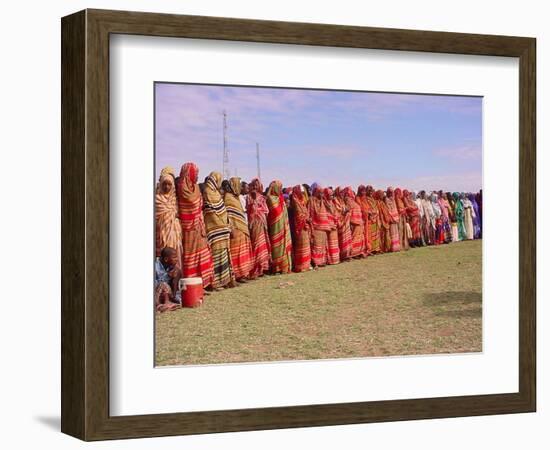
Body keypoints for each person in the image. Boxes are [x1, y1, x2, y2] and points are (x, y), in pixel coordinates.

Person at [176, 163, 214, 289]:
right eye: (195, 173)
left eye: (197, 174)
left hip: (199, 227)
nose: (197, 176)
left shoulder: (196, 187)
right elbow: (190, 204)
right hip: (188, 229)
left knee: (203, 255)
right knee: (190, 257)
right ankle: (192, 285)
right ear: (189, 173)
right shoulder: (181, 188)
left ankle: (203, 283)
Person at [203, 171, 235, 289]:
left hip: (223, 229)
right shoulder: (207, 192)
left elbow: (223, 210)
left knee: (224, 254)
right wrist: (221, 224)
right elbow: (210, 210)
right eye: (219, 179)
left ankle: (225, 280)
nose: (219, 182)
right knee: (216, 254)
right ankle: (216, 281)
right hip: (214, 229)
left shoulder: (217, 193)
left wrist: (227, 225)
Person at [224, 177, 254, 281]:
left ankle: (244, 273)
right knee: (237, 252)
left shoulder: (235, 197)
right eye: (239, 185)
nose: (240, 187)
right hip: (235, 229)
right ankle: (238, 274)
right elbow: (228, 215)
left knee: (243, 251)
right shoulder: (228, 198)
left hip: (242, 227)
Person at [155, 167, 183, 271]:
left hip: (175, 233)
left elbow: (179, 213)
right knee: (165, 255)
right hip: (162, 233)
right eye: (164, 184)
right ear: (161, 184)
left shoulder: (175, 199)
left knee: (176, 254)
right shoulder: (157, 199)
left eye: (169, 184)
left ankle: (177, 277)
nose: (167, 187)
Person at [266, 180, 293, 274]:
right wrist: (271, 186)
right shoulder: (270, 198)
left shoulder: (281, 199)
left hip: (284, 227)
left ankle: (285, 268)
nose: (281, 190)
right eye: (279, 188)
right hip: (275, 227)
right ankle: (277, 268)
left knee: (285, 246)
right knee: (276, 247)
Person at [246, 178, 271, 277]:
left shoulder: (262, 198)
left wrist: (260, 212)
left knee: (263, 246)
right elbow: (249, 210)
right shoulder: (248, 197)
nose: (255, 187)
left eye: (257, 185)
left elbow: (266, 211)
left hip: (262, 224)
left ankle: (262, 268)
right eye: (254, 185)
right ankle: (255, 269)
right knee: (256, 245)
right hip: (254, 224)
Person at [290, 185, 312, 272]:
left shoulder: (302, 201)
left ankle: (306, 264)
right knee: (301, 244)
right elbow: (299, 215)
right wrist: (306, 218)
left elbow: (305, 212)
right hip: (300, 226)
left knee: (306, 244)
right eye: (301, 192)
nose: (303, 194)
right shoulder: (295, 201)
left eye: (303, 192)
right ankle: (301, 265)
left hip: (305, 225)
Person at [309, 183, 330, 267]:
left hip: (323, 227)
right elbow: (310, 212)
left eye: (322, 193)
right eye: (320, 193)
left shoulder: (322, 201)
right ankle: (315, 262)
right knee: (316, 245)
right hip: (316, 226)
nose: (321, 195)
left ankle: (322, 261)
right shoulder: (311, 200)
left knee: (322, 245)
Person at [155, 247, 181, 312]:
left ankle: (171, 299)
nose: (177, 259)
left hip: (165, 293)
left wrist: (175, 276)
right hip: (156, 293)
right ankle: (161, 304)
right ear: (166, 259)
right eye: (174, 257)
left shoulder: (171, 265)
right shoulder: (155, 266)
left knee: (178, 271)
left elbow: (174, 282)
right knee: (163, 284)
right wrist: (168, 276)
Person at [344, 187, 366, 257]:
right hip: (354, 223)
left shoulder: (353, 200)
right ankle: (353, 253)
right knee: (354, 238)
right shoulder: (347, 200)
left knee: (359, 238)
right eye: (350, 192)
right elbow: (348, 211)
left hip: (359, 222)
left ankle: (358, 252)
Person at [334, 187, 352, 261]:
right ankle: (343, 256)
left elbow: (347, 208)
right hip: (341, 222)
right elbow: (337, 209)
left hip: (346, 222)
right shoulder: (335, 200)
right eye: (340, 192)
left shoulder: (342, 201)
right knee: (342, 240)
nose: (342, 194)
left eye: (343, 193)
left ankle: (347, 255)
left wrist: (346, 210)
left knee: (347, 239)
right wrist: (345, 210)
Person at [324, 188, 341, 265]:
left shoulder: (332, 203)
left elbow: (335, 212)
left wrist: (336, 219)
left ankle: (335, 259)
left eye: (332, 195)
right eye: (330, 195)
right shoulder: (324, 203)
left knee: (334, 242)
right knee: (329, 243)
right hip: (328, 225)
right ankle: (330, 259)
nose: (331, 196)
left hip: (334, 224)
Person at [384, 187, 401, 252]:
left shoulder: (393, 199)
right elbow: (388, 210)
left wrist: (396, 217)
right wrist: (393, 218)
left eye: (392, 192)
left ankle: (397, 247)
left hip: (395, 219)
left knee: (396, 233)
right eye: (390, 192)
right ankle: (392, 248)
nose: (391, 194)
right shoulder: (386, 199)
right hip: (391, 219)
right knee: (392, 234)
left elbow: (395, 208)